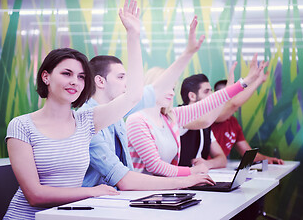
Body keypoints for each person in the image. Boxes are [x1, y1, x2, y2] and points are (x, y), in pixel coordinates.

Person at [4, 0, 145, 219]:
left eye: (80, 76)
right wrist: (93, 192)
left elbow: (134, 94)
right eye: (66, 73)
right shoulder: (21, 125)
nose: (75, 82)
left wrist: (133, 35)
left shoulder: (86, 121)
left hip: (66, 216)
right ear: (46, 76)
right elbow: (35, 195)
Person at [79, 15, 215, 190]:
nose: (127, 83)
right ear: (100, 81)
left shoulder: (118, 117)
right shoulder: (87, 121)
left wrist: (188, 53)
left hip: (115, 200)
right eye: (121, 77)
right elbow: (124, 180)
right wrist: (187, 178)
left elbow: (125, 175)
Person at [126, 56, 264, 177]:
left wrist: (245, 82)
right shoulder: (137, 120)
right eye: (168, 87)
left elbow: (209, 104)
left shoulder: (170, 116)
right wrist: (191, 173)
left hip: (165, 188)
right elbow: (155, 166)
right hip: (145, 194)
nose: (172, 93)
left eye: (173, 88)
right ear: (152, 86)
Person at [212, 74, 284, 164]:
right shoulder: (211, 118)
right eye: (233, 96)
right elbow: (234, 104)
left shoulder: (233, 122)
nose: (238, 100)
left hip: (220, 170)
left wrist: (267, 159)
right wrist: (257, 80)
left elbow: (248, 154)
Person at [178, 73, 227, 169]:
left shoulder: (205, 123)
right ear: (192, 96)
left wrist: (208, 164)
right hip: (181, 181)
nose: (211, 95)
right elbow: (206, 122)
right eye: (206, 92)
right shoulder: (179, 116)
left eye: (211, 91)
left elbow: (222, 159)